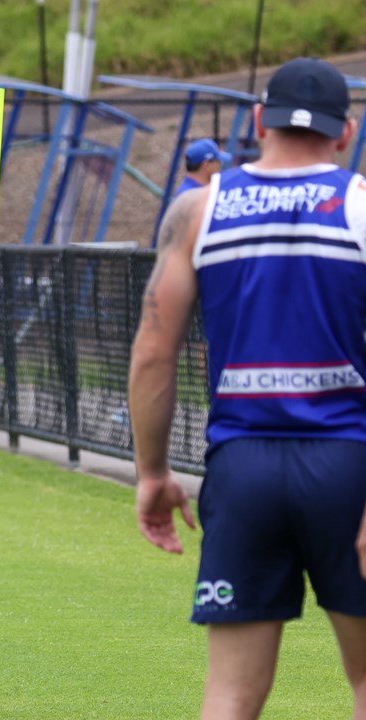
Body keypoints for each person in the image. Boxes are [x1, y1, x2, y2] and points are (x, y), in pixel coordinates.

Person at [129, 57, 366, 720]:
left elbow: (153, 352)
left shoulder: (199, 210)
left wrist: (152, 472)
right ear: (345, 133)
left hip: (241, 467)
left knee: (230, 697)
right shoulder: (360, 204)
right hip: (348, 463)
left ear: (259, 121)